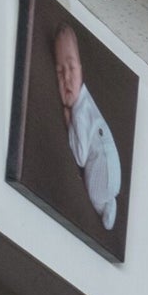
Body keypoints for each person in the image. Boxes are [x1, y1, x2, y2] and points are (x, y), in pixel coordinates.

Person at [54, 21, 123, 233]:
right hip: (114, 178)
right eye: (60, 71)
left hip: (102, 182)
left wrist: (68, 121)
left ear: (81, 71)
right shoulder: (87, 103)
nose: (66, 78)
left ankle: (106, 208)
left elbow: (81, 157)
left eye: (72, 68)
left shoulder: (81, 112)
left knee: (97, 196)